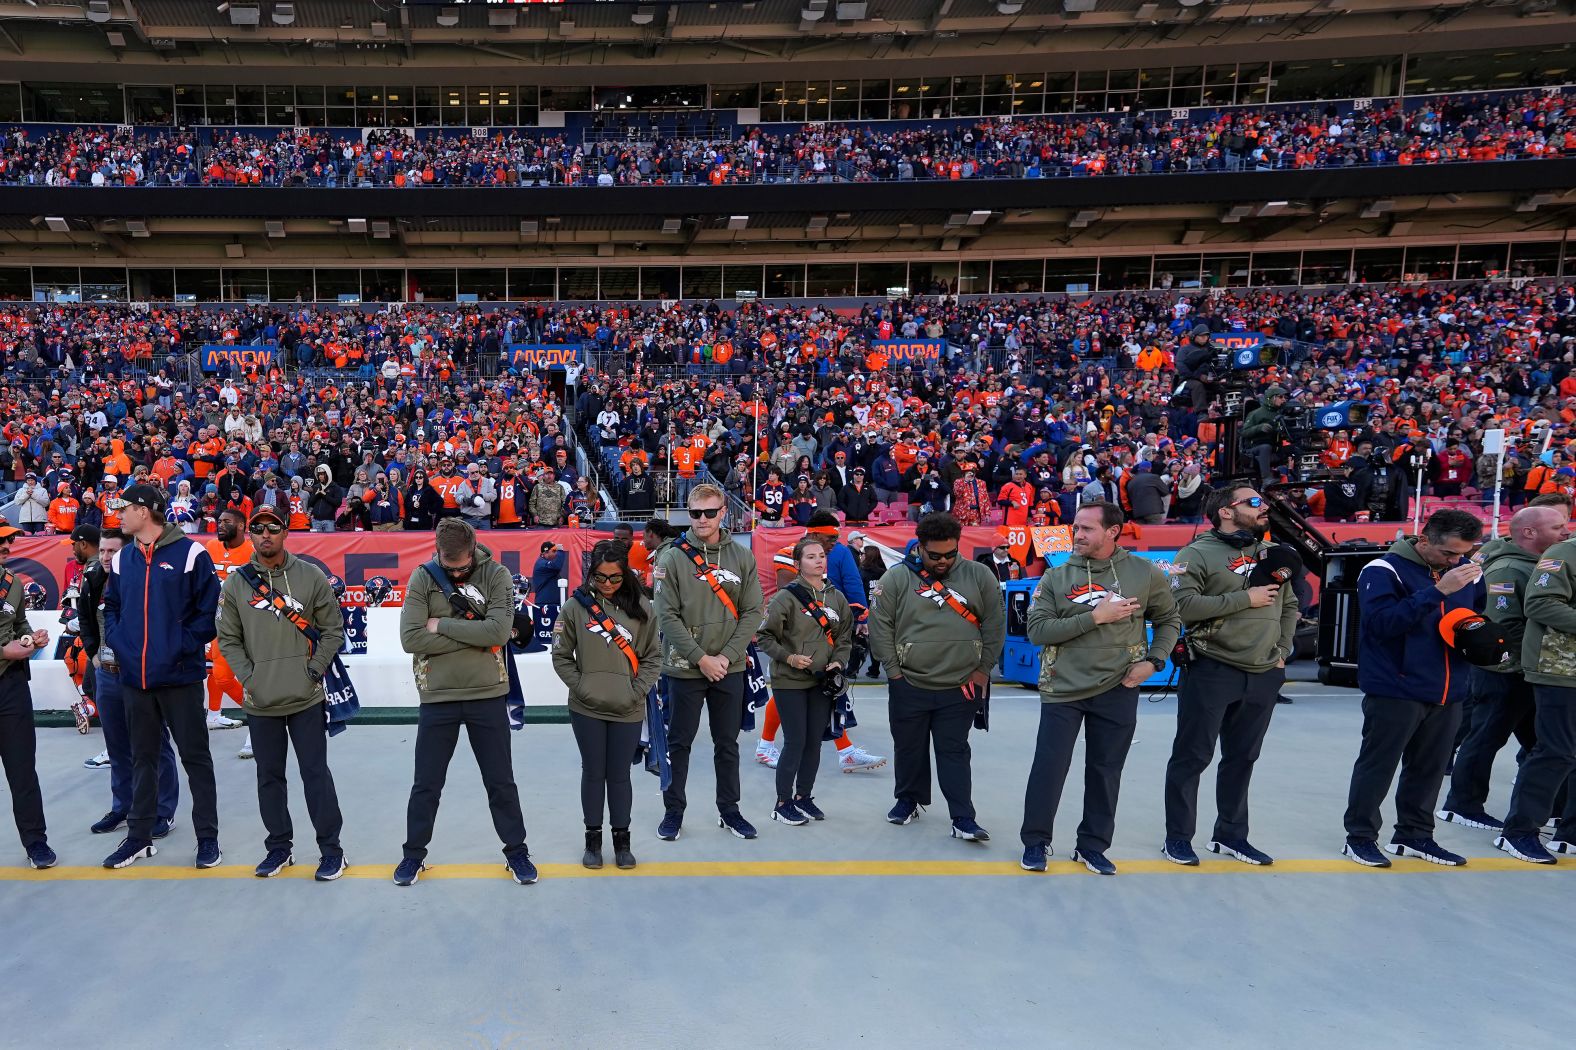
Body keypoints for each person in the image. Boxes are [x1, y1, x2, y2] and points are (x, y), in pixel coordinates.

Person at [1018, 500, 1181, 875]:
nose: (1077, 534)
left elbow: (1169, 619)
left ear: (1112, 531)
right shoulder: (1055, 576)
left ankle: (1092, 846)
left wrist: (1154, 661)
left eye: (1087, 529)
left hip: (1119, 685)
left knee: (1106, 771)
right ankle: (1036, 842)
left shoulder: (1143, 573)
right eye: (1076, 527)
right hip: (1063, 687)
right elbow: (1038, 631)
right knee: (1049, 768)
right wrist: (1095, 617)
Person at [1162, 485, 1298, 867]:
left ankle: (1231, 836)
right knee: (1192, 757)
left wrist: (1282, 652)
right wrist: (1245, 599)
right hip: (1211, 668)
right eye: (1254, 502)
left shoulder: (1270, 554)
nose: (1264, 507)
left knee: (1243, 758)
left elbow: (1289, 605)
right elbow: (1182, 607)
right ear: (1226, 511)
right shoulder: (1195, 553)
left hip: (1264, 672)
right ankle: (1178, 837)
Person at [396, 518, 536, 887]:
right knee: (425, 784)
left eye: (461, 567)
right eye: (448, 565)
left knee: (500, 781)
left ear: (473, 549)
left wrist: (440, 625)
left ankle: (516, 851)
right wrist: (477, 637)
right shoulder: (422, 577)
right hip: (437, 696)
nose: (455, 573)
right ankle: (413, 855)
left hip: (487, 693)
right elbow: (411, 638)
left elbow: (500, 632)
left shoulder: (498, 575)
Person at [1342, 509, 1485, 868]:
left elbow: (1472, 619)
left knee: (1430, 768)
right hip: (1396, 688)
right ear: (1423, 540)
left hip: (1449, 689)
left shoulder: (1466, 571)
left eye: (1463, 553)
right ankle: (1359, 837)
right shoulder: (1382, 570)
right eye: (1448, 554)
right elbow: (1381, 625)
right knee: (1378, 766)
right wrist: (1438, 591)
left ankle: (1415, 835)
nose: (1457, 560)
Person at [216, 505, 348, 881]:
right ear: (250, 534)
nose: (265, 535)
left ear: (285, 532)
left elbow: (333, 628)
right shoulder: (236, 584)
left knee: (315, 775)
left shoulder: (310, 576)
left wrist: (313, 669)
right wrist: (250, 678)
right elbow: (228, 637)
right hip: (261, 701)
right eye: (257, 529)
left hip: (306, 697)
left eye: (272, 528)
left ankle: (332, 851)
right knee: (269, 778)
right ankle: (279, 849)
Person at [100, 483, 223, 871]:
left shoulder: (191, 554)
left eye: (125, 508)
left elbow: (209, 615)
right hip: (135, 680)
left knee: (196, 760)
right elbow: (113, 608)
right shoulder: (123, 560)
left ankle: (208, 840)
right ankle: (139, 838)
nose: (118, 515)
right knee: (142, 759)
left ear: (145, 511)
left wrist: (178, 648)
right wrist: (123, 644)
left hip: (180, 677)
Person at [869, 511, 1005, 842]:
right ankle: (907, 800)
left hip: (960, 684)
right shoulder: (897, 578)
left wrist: (982, 669)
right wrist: (893, 671)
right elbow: (880, 625)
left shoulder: (979, 575)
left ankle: (963, 817)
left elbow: (994, 624)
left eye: (950, 554)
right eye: (935, 555)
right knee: (908, 747)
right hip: (909, 682)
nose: (943, 561)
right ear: (920, 547)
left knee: (954, 751)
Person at [1439, 504, 1569, 831]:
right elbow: (1503, 624)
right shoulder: (1510, 568)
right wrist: (1526, 659)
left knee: (1542, 743)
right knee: (1486, 737)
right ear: (1529, 532)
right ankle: (1462, 804)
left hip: (1528, 671)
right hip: (1505, 672)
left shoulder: (1538, 564)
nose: (1565, 532)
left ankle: (1552, 806)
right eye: (1557, 527)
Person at [651, 483, 764, 842]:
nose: (701, 520)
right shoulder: (671, 557)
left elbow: (753, 612)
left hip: (728, 668)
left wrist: (725, 657)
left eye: (709, 512)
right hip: (684, 668)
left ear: (722, 513)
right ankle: (674, 812)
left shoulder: (741, 557)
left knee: (727, 743)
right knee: (678, 743)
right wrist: (701, 658)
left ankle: (729, 811)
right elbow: (665, 616)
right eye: (695, 513)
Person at [551, 539, 659, 871]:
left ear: (625, 573)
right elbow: (560, 655)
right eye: (600, 577)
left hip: (627, 707)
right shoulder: (575, 607)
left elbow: (653, 657)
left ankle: (622, 841)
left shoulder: (642, 607)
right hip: (587, 707)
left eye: (615, 577)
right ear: (591, 574)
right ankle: (593, 841)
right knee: (594, 773)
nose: (608, 584)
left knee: (620, 775)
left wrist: (635, 692)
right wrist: (581, 686)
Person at [754, 514, 886, 773]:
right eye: (831, 537)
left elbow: (840, 589)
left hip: (821, 637)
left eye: (837, 537)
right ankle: (766, 745)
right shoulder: (788, 554)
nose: (835, 543)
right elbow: (789, 596)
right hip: (795, 640)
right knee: (789, 693)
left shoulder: (831, 558)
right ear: (813, 533)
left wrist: (853, 618)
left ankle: (844, 750)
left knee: (827, 691)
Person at [78, 527, 180, 841]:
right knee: (117, 744)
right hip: (107, 672)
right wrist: (93, 652)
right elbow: (84, 616)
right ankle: (123, 806)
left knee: (155, 742)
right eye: (103, 551)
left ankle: (163, 811)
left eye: (113, 552)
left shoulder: (144, 573)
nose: (106, 557)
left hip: (142, 673)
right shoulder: (93, 573)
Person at [757, 536, 854, 825]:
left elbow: (844, 636)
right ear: (798, 564)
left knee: (814, 742)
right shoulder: (785, 598)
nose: (819, 560)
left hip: (823, 682)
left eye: (821, 555)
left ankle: (804, 797)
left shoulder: (836, 597)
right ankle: (783, 802)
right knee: (796, 741)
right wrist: (789, 658)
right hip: (790, 681)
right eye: (811, 557)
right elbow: (764, 636)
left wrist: (839, 660)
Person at [1496, 527, 1576, 863]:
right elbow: (1539, 604)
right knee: (1556, 752)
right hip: (1559, 668)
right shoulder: (1565, 553)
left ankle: (1570, 833)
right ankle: (1519, 832)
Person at [0, 521, 56, 869]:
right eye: (1, 541)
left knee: (22, 771)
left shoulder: (13, 582)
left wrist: (31, 637)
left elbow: (18, 623)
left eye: (9, 540)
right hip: (7, 664)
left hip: (11, 688)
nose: (7, 546)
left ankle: (36, 842)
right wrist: (4, 651)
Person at [205, 507, 252, 745]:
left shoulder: (254, 550)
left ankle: (259, 720)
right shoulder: (211, 547)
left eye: (226, 521)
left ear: (242, 525)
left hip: (246, 623)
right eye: (218, 521)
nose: (219, 524)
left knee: (243, 676)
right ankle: (214, 714)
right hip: (218, 620)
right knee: (219, 674)